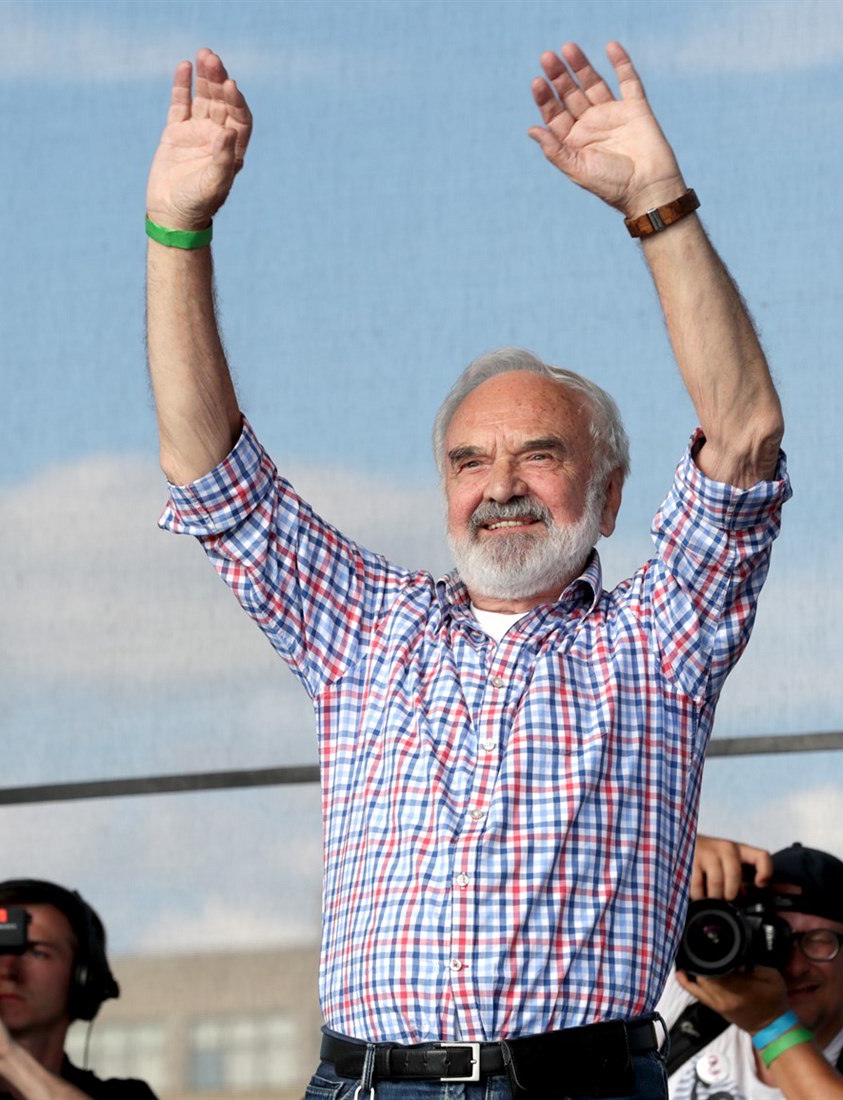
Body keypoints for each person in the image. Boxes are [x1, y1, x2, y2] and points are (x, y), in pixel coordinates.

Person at [143, 40, 789, 1100]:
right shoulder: (363, 626)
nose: (501, 485)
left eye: (541, 455)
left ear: (609, 495)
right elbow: (208, 466)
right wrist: (178, 228)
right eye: (468, 460)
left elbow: (745, 433)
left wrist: (657, 204)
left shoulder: (659, 638)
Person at [661, 837, 843, 1100]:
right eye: (774, 940)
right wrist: (673, 851)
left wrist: (771, 1026)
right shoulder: (683, 1009)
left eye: (818, 941)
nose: (795, 966)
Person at [0, 879, 156, 1100]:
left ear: (83, 977)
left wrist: (7, 1059)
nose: (9, 971)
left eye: (37, 952)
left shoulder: (127, 1095)